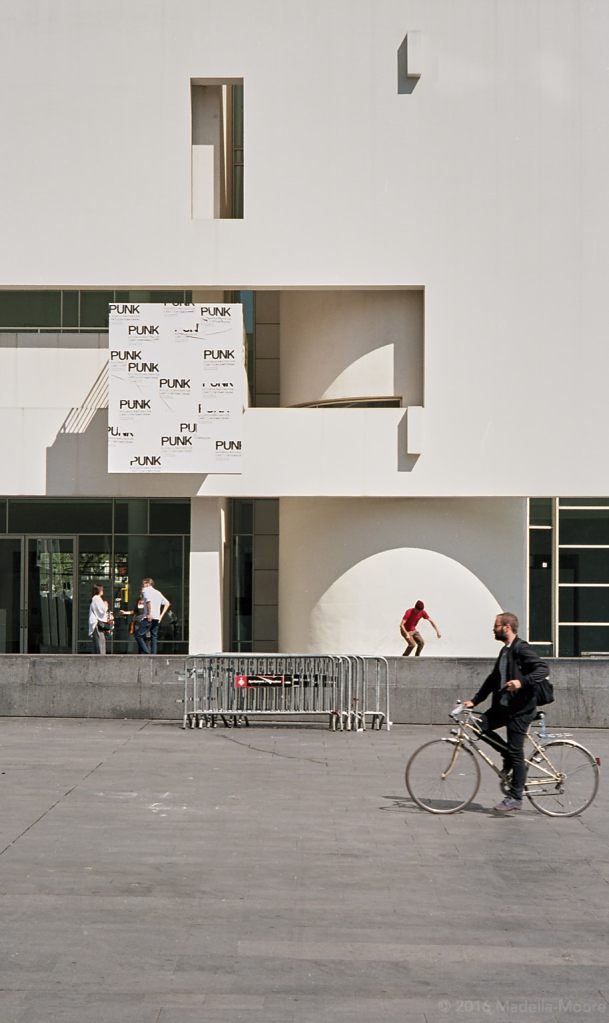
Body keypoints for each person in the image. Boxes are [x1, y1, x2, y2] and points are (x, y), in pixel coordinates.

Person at [463, 611, 551, 814]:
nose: (493, 629)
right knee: (479, 725)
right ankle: (507, 755)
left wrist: (521, 682)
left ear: (507, 627)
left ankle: (515, 797)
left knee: (516, 751)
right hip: (504, 706)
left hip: (521, 710)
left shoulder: (521, 648)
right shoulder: (505, 651)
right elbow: (494, 678)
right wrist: (475, 700)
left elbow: (543, 669)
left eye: (496, 625)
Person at [135, 577, 170, 655]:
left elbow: (148, 601)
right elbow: (167, 603)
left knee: (138, 635)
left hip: (148, 617)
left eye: (143, 583)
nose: (142, 585)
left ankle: (147, 652)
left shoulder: (146, 590)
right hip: (156, 618)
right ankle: (154, 655)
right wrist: (161, 616)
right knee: (154, 637)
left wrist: (149, 614)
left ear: (148, 583)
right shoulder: (158, 592)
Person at [88, 584, 110, 654]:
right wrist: (106, 605)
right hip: (97, 623)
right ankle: (102, 659)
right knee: (101, 642)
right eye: (102, 589)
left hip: (95, 623)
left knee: (97, 642)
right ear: (99, 590)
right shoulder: (97, 599)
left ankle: (98, 658)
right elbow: (101, 610)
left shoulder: (95, 599)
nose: (103, 591)